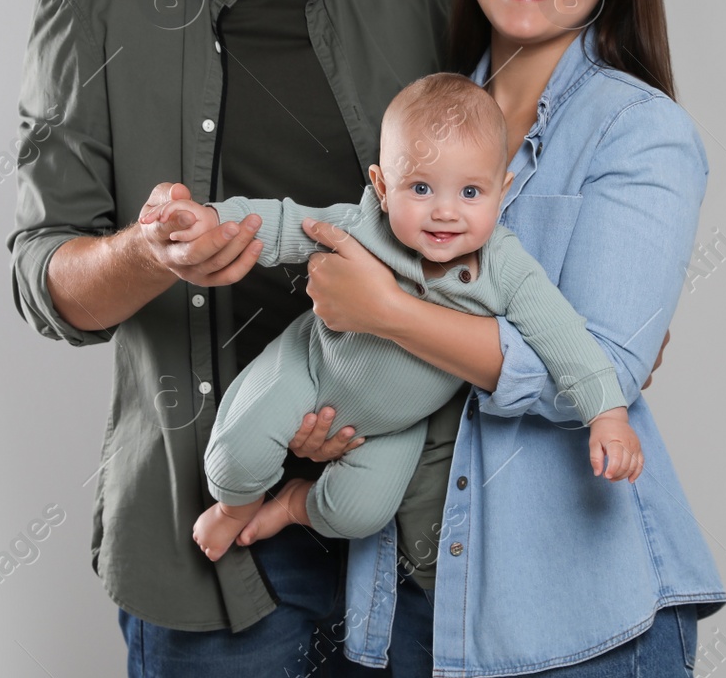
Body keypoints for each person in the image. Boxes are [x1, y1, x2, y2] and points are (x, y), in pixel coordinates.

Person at [6, 0, 674, 678]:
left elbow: (503, 201)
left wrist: (597, 339)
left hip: (398, 550)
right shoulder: (92, 7)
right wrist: (149, 250)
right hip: (201, 539)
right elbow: (46, 285)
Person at [226, 0, 726, 678]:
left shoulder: (638, 131)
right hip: (417, 599)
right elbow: (389, 345)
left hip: (576, 612)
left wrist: (384, 313)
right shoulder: (427, 116)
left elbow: (604, 368)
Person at [158, 73, 642, 562]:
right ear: (382, 187)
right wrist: (215, 220)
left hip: (393, 426)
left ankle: (292, 506)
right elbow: (284, 221)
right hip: (310, 367)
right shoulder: (361, 227)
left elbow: (562, 335)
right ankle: (235, 510)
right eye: (422, 188)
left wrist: (607, 413)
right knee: (235, 459)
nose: (446, 212)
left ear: (503, 188)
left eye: (471, 192)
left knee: (359, 515)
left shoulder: (507, 269)